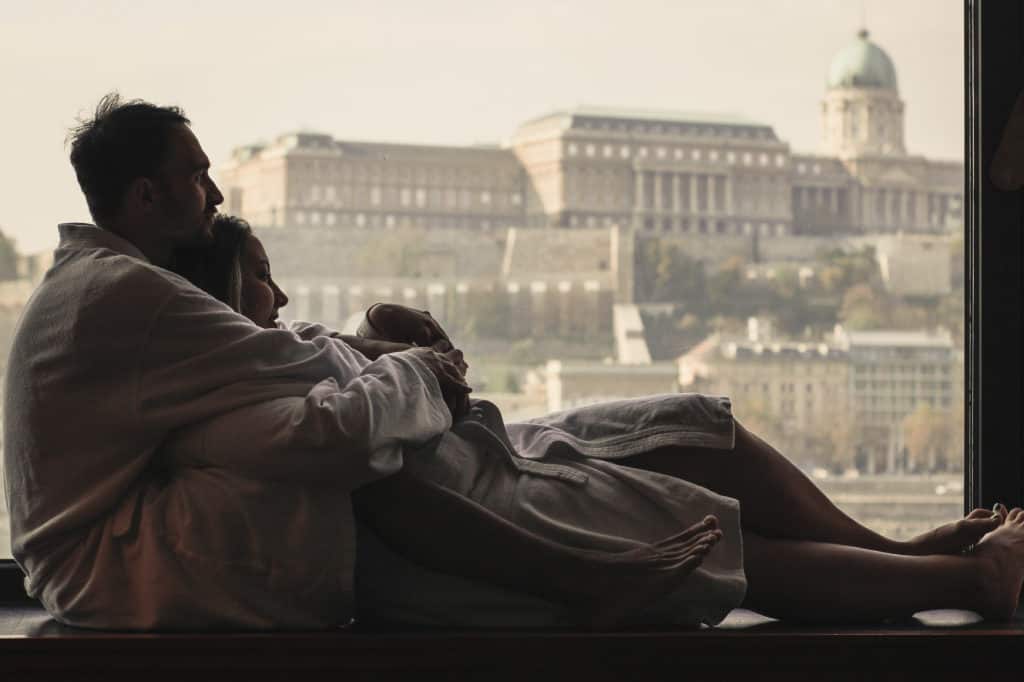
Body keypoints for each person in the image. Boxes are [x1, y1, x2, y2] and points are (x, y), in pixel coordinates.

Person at [2, 94, 717, 631]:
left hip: (93, 550)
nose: (217, 195)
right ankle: (583, 581)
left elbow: (285, 352)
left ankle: (578, 579)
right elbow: (294, 363)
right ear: (146, 195)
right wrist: (417, 369)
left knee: (350, 449)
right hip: (106, 565)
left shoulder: (99, 283)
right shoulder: (132, 293)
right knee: (355, 463)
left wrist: (377, 347)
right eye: (197, 176)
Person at [172, 213, 1024, 626]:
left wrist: (377, 331)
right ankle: (970, 582)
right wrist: (574, 573)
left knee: (699, 424)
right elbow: (379, 478)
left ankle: (891, 550)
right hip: (481, 489)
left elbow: (370, 386)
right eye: (259, 278)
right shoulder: (246, 398)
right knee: (715, 545)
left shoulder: (276, 347)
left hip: (495, 446)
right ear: (214, 299)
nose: (279, 297)